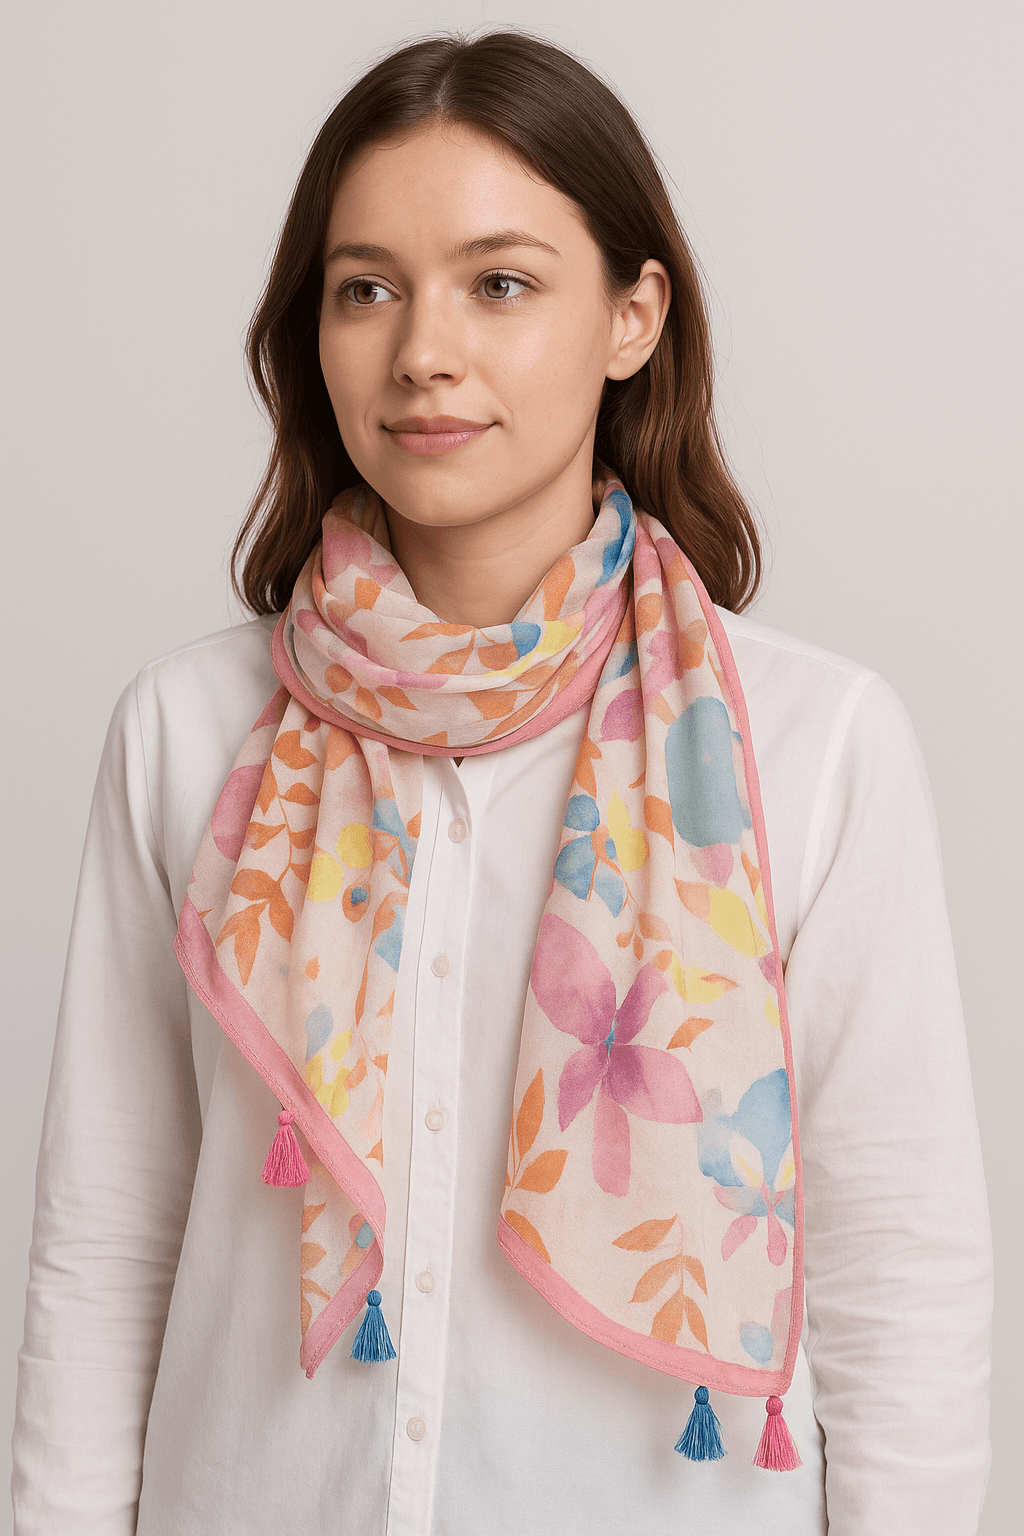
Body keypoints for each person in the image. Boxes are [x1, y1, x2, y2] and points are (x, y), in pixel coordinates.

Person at [11, 27, 992, 1536]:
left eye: (501, 283)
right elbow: (108, 1243)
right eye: (366, 288)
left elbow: (901, 1282)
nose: (424, 350)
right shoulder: (186, 731)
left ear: (633, 316)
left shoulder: (815, 744)